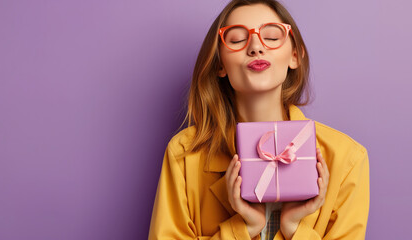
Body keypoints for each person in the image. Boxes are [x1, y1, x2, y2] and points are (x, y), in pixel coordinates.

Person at [148, 0, 370, 239]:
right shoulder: (184, 153)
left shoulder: (348, 159)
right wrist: (243, 227)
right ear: (220, 64)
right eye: (236, 40)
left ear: (295, 56)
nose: (255, 47)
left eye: (272, 37)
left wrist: (294, 228)